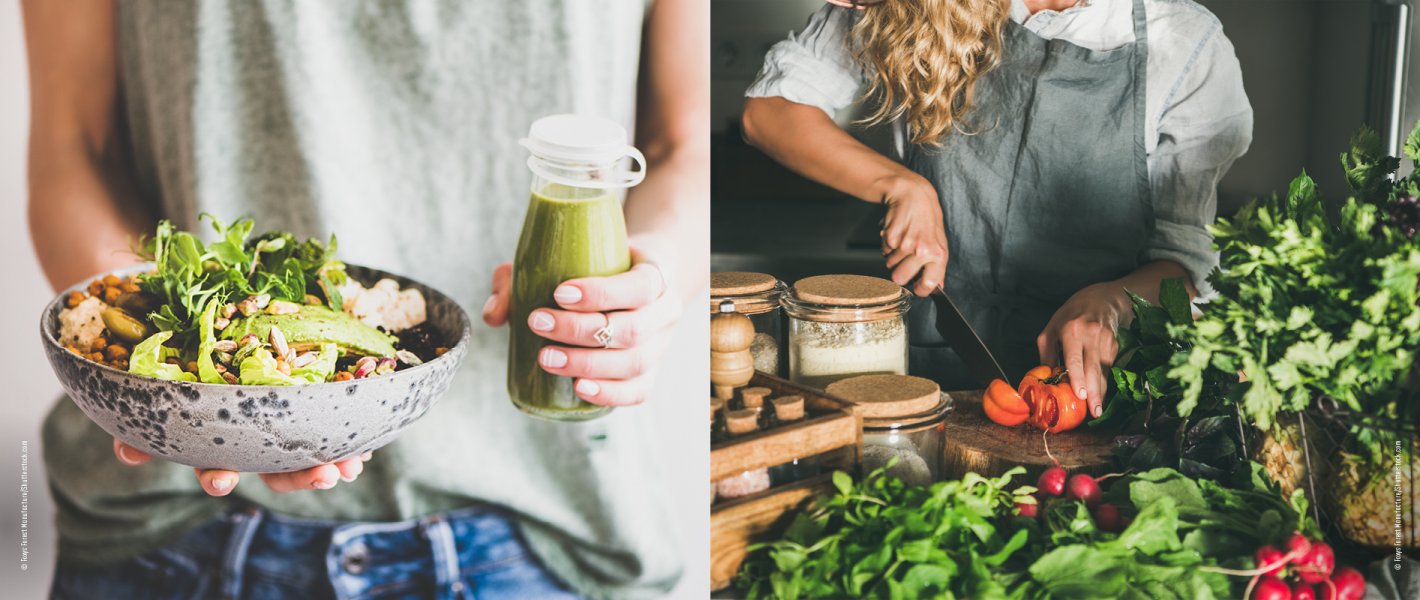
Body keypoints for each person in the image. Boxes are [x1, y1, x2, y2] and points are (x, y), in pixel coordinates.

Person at [25, 0, 707, 598]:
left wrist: (653, 280)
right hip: (171, 533)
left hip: (540, 526)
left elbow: (684, 142)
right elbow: (72, 145)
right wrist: (169, 390)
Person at [742, 0, 1252, 410]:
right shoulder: (919, 7)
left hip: (1101, 393)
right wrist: (901, 185)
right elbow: (770, 111)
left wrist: (1113, 301)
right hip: (929, 368)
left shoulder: (1184, 42)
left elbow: (1186, 266)